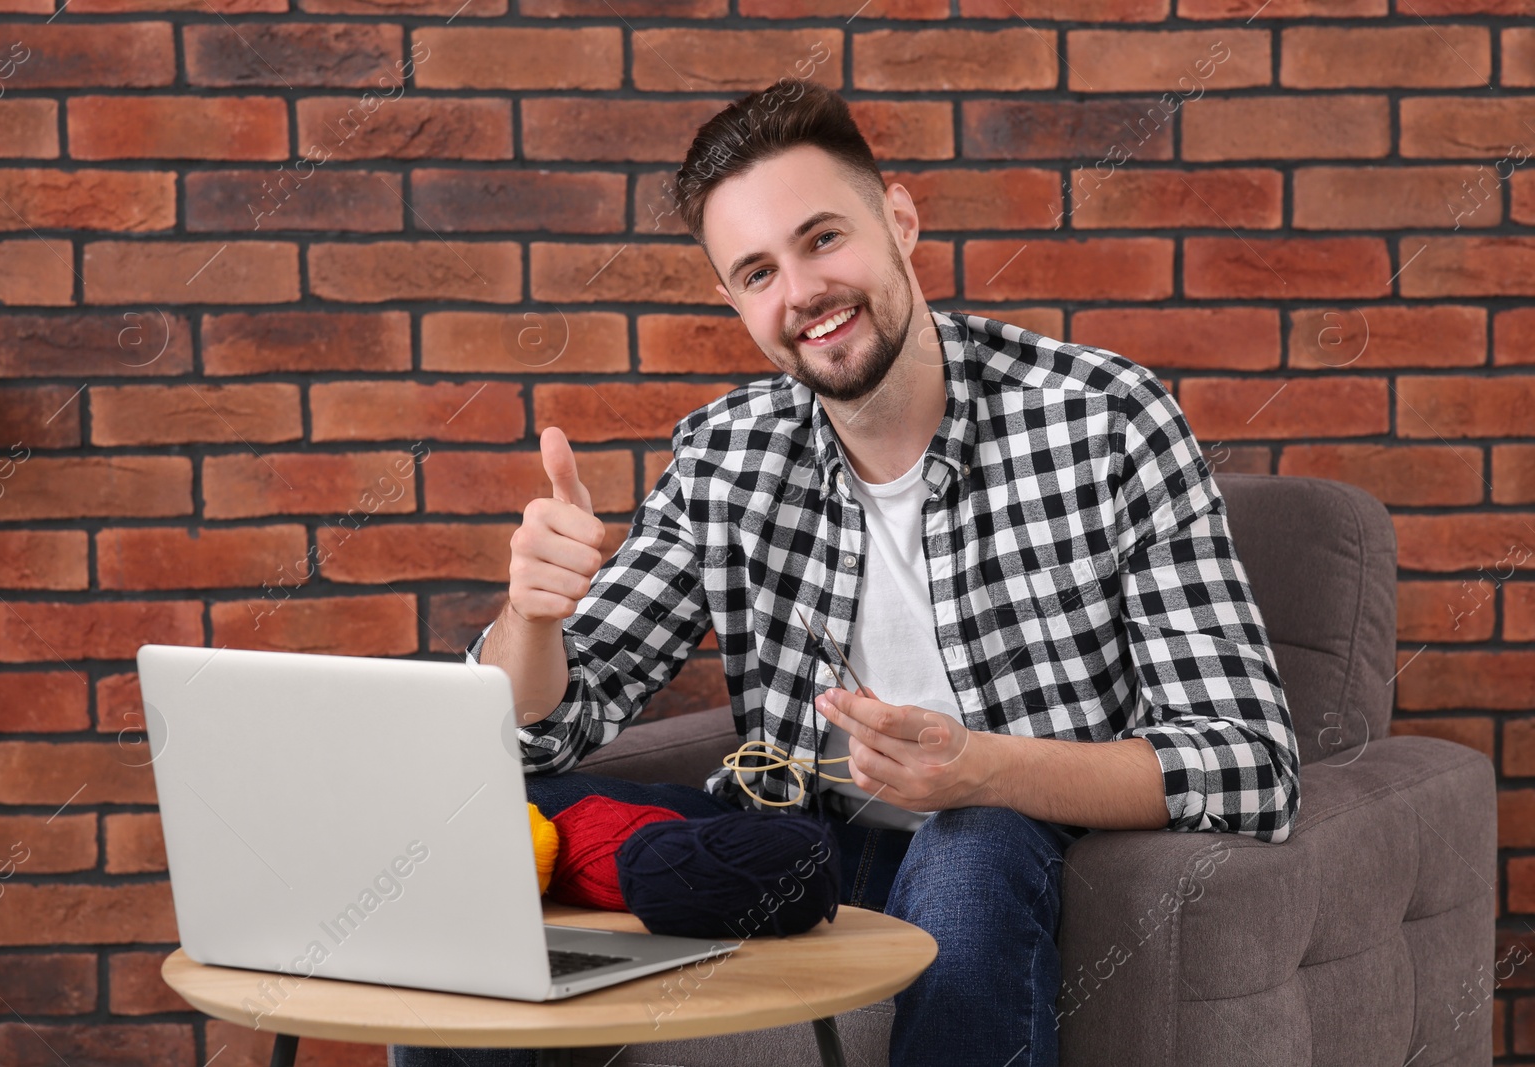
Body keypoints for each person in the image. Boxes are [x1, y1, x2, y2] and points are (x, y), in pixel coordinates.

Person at [391, 77, 1298, 1067]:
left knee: (971, 845)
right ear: (734, 299)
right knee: (463, 842)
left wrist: (981, 765)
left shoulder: (1103, 416)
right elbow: (545, 730)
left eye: (823, 239)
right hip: (795, 845)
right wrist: (532, 616)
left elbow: (1246, 758)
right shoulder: (727, 454)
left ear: (898, 218)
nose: (803, 294)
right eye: (758, 272)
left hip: (1018, 842)